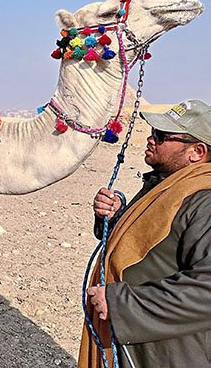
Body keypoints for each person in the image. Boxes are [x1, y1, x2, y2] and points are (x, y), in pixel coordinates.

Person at [81, 100, 211, 368]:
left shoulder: (204, 200)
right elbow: (153, 248)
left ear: (197, 152)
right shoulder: (170, 185)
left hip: (172, 351)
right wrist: (117, 217)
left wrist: (121, 303)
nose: (151, 139)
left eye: (162, 136)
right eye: (153, 131)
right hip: (141, 343)